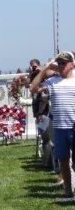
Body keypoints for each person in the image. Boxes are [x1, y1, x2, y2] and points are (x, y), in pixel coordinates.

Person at [29, 51, 75, 202]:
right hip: (59, 128)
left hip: (73, 127)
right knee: (63, 160)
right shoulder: (52, 81)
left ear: (72, 64)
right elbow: (33, 88)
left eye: (64, 63)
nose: (61, 65)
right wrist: (44, 69)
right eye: (59, 63)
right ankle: (68, 192)